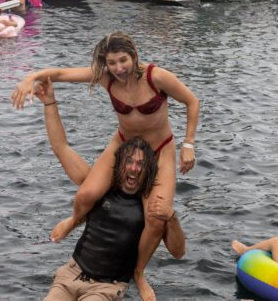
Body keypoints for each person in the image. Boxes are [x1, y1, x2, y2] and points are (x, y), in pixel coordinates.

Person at [11, 31, 199, 301]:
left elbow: (192, 101)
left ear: (134, 56)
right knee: (87, 194)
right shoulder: (105, 77)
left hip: (159, 150)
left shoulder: (156, 76)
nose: (119, 68)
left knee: (156, 219)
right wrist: (32, 77)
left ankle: (138, 272)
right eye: (112, 63)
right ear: (105, 63)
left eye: (123, 60)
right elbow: (62, 74)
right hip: (124, 145)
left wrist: (188, 144)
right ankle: (74, 220)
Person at [36, 78, 185, 300]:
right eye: (129, 162)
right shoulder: (99, 187)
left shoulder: (150, 207)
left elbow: (178, 252)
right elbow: (61, 147)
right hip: (71, 274)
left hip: (106, 287)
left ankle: (137, 275)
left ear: (148, 170)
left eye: (141, 164)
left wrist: (172, 217)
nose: (134, 168)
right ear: (119, 164)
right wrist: (49, 102)